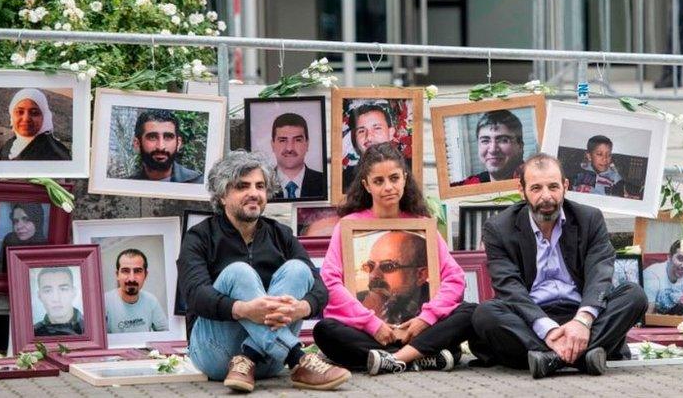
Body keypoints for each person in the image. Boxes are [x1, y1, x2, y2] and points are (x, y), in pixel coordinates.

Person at [177, 150, 350, 392]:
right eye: (242, 186)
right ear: (223, 195)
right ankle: (298, 358)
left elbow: (319, 287)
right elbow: (195, 294)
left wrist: (303, 307)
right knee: (239, 272)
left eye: (260, 186)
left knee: (299, 270)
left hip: (268, 362)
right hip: (216, 355)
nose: (253, 193)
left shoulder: (281, 234)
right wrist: (242, 309)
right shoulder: (200, 236)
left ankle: (249, 355)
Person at [472, 153, 647, 379]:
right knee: (484, 314)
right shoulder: (499, 228)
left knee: (634, 295)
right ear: (521, 190)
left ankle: (549, 359)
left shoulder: (589, 219)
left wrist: (582, 321)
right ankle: (585, 356)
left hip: (583, 314)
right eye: (536, 188)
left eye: (553, 187)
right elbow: (508, 286)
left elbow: (600, 274)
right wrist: (549, 329)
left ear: (565, 186)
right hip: (531, 319)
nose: (546, 197)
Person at [314, 143, 476, 375]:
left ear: (405, 178)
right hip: (371, 332)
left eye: (394, 178)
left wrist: (426, 318)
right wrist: (372, 324)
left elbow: (454, 278)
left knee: (471, 312)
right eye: (379, 181)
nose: (388, 187)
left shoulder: (421, 224)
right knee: (325, 330)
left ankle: (395, 359)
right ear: (366, 185)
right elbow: (330, 283)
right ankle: (423, 357)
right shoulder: (347, 226)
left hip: (421, 329)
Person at [127, 109, 203, 184]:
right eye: (152, 137)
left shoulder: (198, 183)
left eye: (168, 137)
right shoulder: (126, 186)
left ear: (178, 143)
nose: (161, 146)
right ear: (137, 143)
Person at [452, 110, 526, 186]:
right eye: (485, 141)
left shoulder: (533, 181)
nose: (493, 150)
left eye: (503, 140)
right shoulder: (468, 186)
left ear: (520, 145)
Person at [104, 249, 169, 334]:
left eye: (137, 271)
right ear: (117, 275)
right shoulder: (103, 302)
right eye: (125, 271)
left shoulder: (151, 301)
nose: (131, 278)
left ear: (145, 275)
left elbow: (166, 335)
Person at [0, 88, 71, 161]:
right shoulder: (8, 147)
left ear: (44, 117)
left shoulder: (56, 155)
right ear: (12, 115)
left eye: (34, 113)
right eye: (19, 112)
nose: (26, 118)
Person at [341, 103, 397, 192]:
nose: (369, 137)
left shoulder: (411, 170)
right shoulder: (344, 180)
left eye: (377, 128)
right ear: (354, 138)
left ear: (391, 133)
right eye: (361, 131)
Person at [270, 113, 324, 199]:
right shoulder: (262, 184)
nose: (289, 148)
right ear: (272, 145)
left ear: (307, 144)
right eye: (283, 140)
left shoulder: (324, 181)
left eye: (298, 140)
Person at [643, 240, 683, 317]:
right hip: (649, 313)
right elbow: (648, 313)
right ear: (669, 258)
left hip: (669, 312)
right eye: (680, 258)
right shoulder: (652, 275)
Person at [0, 202, 47, 273]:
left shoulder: (46, 247)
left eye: (26, 220)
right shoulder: (10, 239)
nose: (19, 226)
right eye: (16, 221)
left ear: (37, 221)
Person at [33, 267, 84, 336]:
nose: (56, 299)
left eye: (63, 289)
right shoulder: (33, 333)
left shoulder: (93, 327)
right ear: (39, 296)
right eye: (47, 291)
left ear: (73, 292)